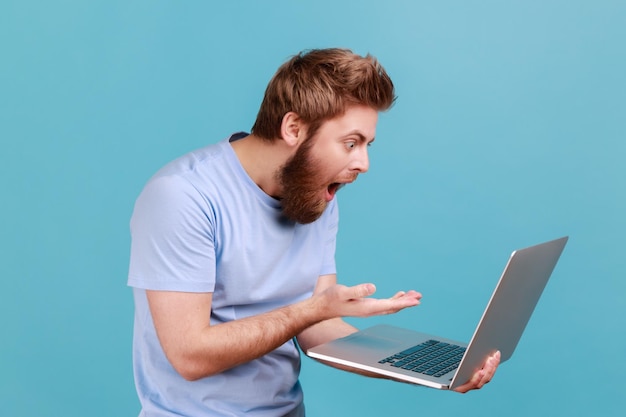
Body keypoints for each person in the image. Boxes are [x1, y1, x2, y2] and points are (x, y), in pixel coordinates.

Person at [127, 48, 500, 417]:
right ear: (293, 128)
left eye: (367, 145)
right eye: (350, 143)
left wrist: (431, 369)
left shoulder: (313, 194)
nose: (364, 164)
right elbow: (190, 356)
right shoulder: (182, 196)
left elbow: (316, 327)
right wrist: (314, 309)